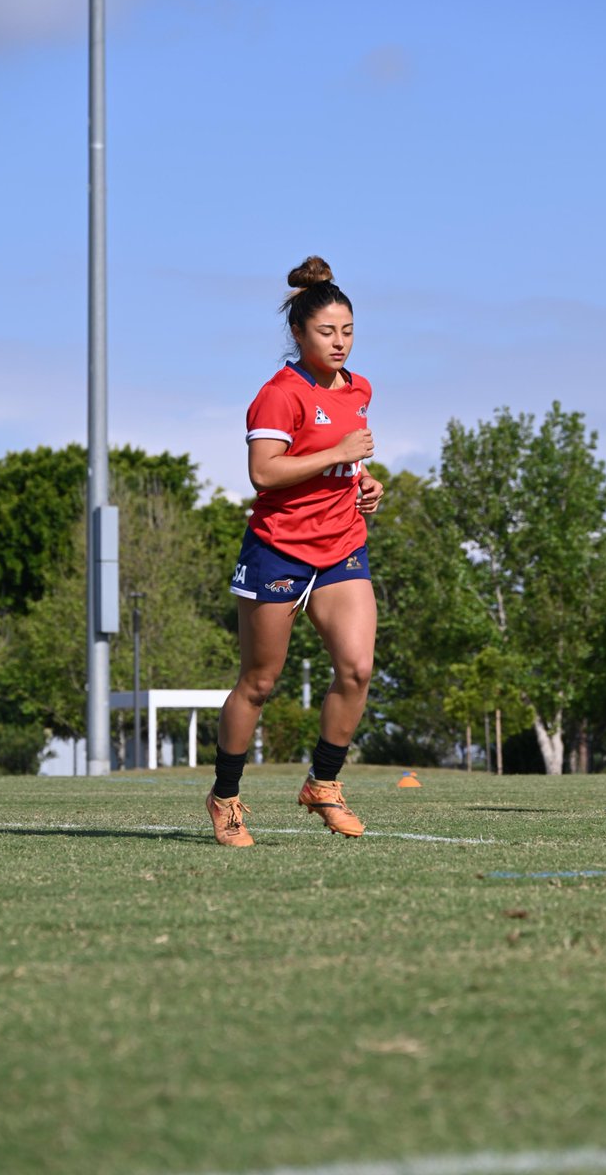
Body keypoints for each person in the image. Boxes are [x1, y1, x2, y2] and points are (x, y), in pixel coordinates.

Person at [206, 256, 384, 846]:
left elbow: (344, 461)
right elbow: (264, 472)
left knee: (356, 669)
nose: (339, 342)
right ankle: (225, 796)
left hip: (340, 548)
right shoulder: (278, 394)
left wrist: (363, 483)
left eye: (348, 330)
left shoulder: (359, 388)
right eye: (326, 332)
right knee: (259, 681)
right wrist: (338, 451)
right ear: (299, 334)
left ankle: (323, 784)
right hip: (278, 551)